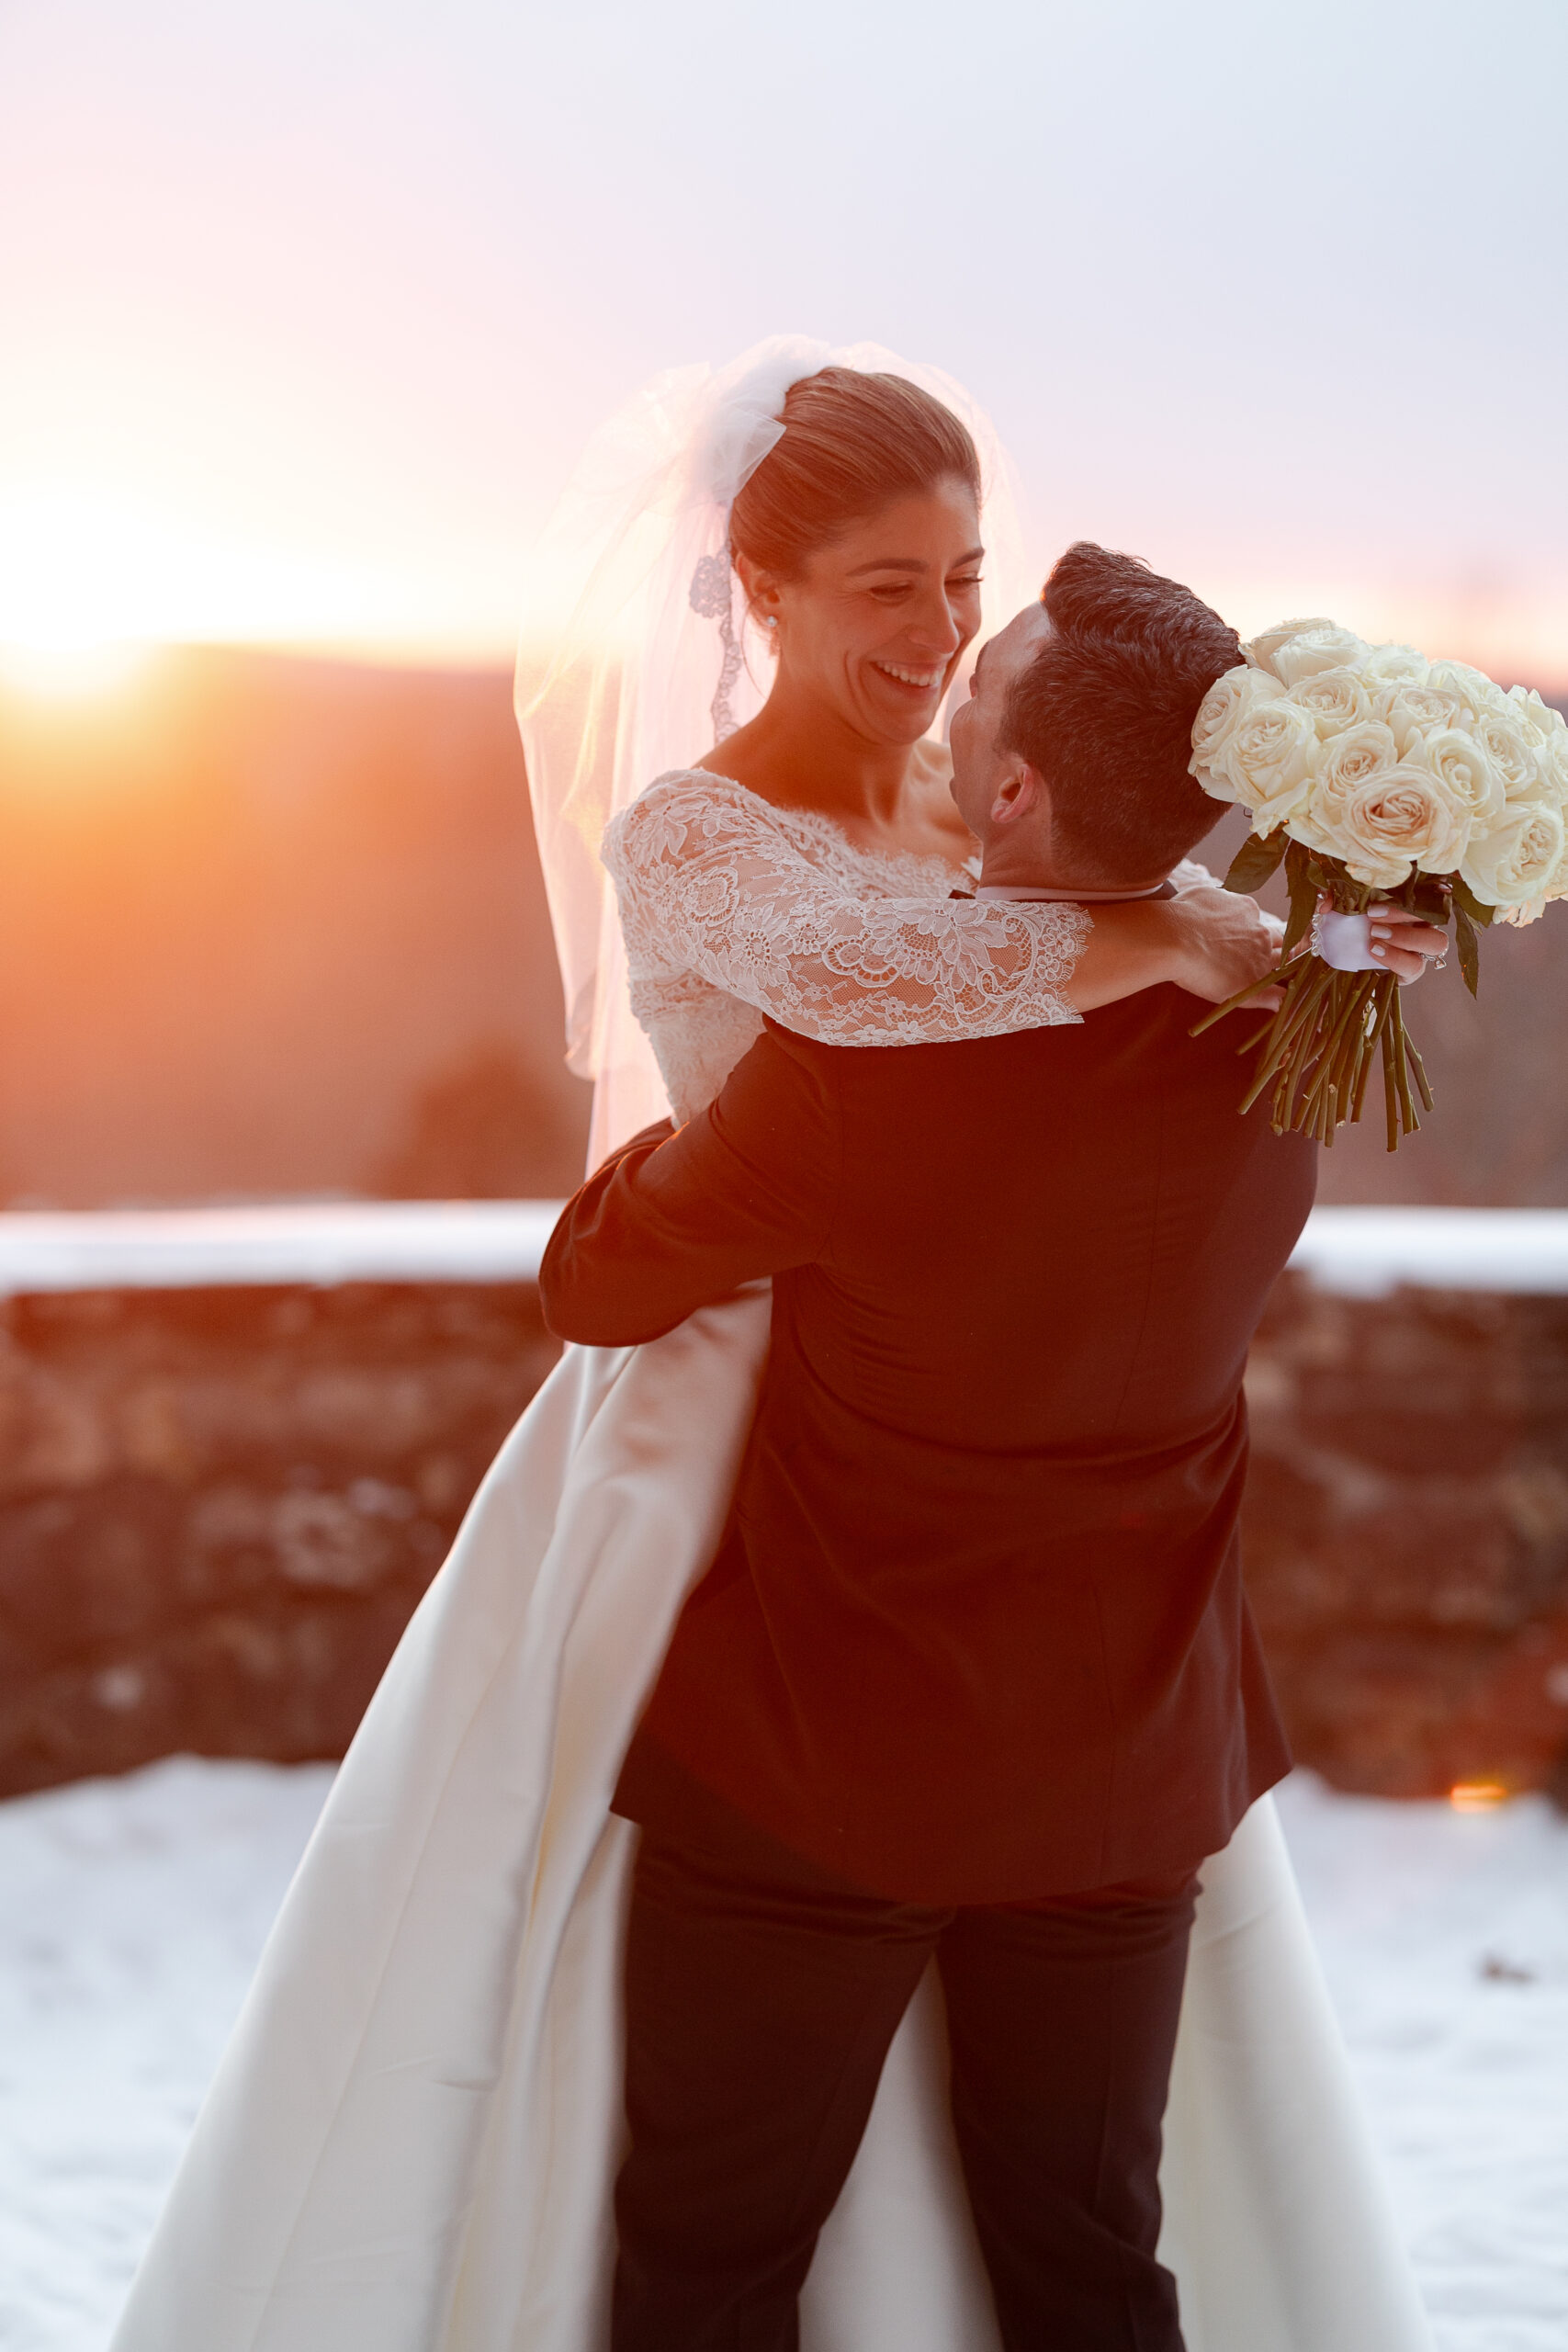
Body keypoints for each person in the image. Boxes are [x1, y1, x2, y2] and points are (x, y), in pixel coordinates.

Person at [107, 345, 1438, 2352]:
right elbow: (878, 970)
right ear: (756, 592)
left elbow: (944, 1000)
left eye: (961, 578)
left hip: (867, 1577)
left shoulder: (1045, 881)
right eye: (886, 585)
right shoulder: (719, 842)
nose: (937, 630)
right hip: (794, 1482)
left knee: (784, 2207)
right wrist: (1197, 929)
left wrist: (1261, 927)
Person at [536, 542, 1383, 2349]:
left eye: (976, 668)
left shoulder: (866, 1060)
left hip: (819, 1772)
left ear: (1005, 788)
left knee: (708, 2262)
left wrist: (682, 1113)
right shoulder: (1282, 1035)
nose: (943, 681)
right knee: (1086, 2269)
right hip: (1118, 1779)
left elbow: (597, 1282)